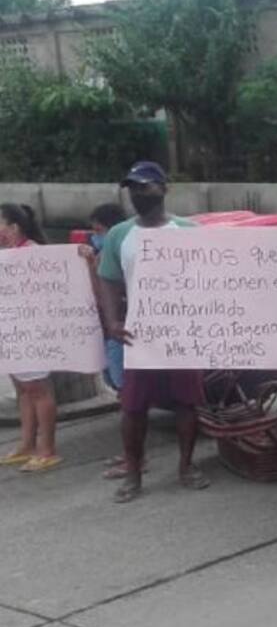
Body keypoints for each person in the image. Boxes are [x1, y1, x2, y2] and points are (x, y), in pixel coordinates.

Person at [97, 162, 208, 503]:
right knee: (132, 407)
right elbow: (108, 279)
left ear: (164, 188)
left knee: (187, 402)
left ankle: (186, 466)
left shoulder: (189, 231)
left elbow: (213, 279)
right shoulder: (119, 235)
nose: (138, 194)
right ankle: (133, 473)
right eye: (133, 188)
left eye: (145, 186)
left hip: (181, 332)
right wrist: (112, 321)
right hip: (140, 334)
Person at [0, 203, 61, 474]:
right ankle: (26, 443)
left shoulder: (34, 254)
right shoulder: (9, 255)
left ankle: (46, 448)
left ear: (13, 227)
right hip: (11, 332)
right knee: (23, 390)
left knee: (38, 389)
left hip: (33, 332)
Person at [79, 202, 135, 481]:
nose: (94, 237)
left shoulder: (117, 258)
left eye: (98, 231)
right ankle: (132, 455)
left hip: (120, 335)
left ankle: (134, 458)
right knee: (122, 394)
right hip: (111, 333)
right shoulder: (106, 256)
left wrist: (94, 265)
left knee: (128, 400)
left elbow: (103, 296)